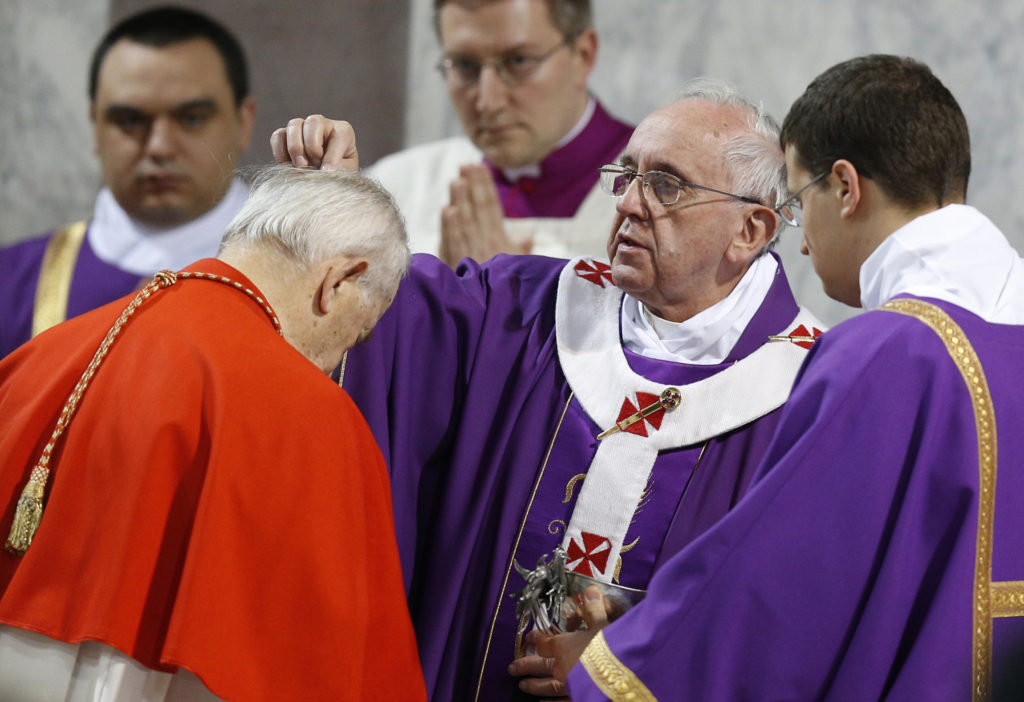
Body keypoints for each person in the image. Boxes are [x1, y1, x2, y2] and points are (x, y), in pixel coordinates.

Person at [273, 79, 825, 700]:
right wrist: (337, 205)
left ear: (750, 231)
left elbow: (788, 629)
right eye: (626, 175)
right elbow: (388, 315)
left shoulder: (812, 398)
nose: (629, 204)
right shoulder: (523, 312)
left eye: (666, 185)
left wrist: (627, 669)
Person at [552, 55, 1024, 701]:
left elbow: (774, 596)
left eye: (798, 205)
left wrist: (611, 662)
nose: (800, 245)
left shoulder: (887, 356)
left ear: (846, 188)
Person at [0, 165, 425, 702]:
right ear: (338, 280)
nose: (339, 357)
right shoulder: (318, 416)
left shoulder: (45, 354)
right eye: (357, 334)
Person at [288, 0, 633, 267]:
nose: (488, 101)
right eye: (465, 66)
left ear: (583, 55)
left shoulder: (658, 190)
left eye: (518, 62)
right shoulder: (397, 185)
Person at [0, 5, 256, 358]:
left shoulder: (315, 289)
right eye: (130, 120)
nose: (160, 147)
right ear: (95, 127)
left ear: (243, 122)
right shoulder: (10, 287)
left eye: (192, 118)